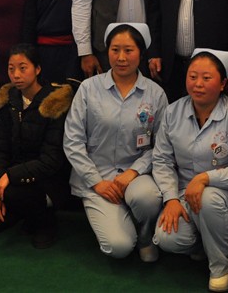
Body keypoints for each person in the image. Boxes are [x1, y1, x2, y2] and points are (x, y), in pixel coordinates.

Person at [152, 49, 228, 292]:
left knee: (208, 197)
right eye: (192, 77)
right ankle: (206, 242)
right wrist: (171, 199)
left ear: (222, 84)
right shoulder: (173, 112)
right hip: (184, 194)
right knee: (168, 239)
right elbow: (162, 160)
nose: (198, 84)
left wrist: (205, 178)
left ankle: (222, 266)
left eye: (207, 78)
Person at [63, 23, 168, 262]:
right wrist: (96, 182)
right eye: (115, 50)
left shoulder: (156, 94)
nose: (121, 58)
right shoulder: (88, 88)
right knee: (119, 247)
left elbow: (162, 146)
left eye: (129, 50)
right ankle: (124, 224)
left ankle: (145, 236)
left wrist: (134, 171)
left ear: (141, 53)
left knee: (148, 199)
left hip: (136, 176)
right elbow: (72, 141)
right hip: (97, 177)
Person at [0, 44, 74, 248]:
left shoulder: (54, 102)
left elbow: (52, 160)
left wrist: (10, 177)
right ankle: (29, 215)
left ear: (38, 69)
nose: (16, 75)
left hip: (49, 180)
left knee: (12, 194)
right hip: (16, 179)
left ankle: (46, 222)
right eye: (11, 68)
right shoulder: (8, 101)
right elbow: (0, 151)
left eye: (23, 68)